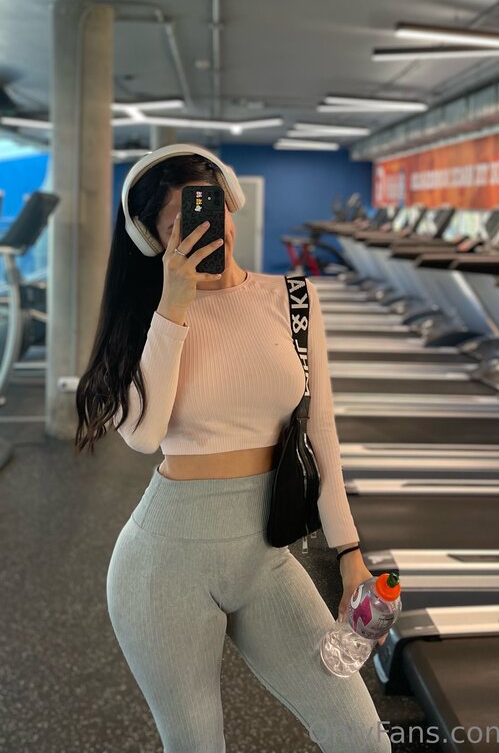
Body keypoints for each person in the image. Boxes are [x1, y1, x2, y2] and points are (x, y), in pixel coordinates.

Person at [75, 144, 392, 753]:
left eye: (214, 209)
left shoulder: (293, 299)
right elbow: (143, 436)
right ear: (154, 241)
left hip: (265, 557)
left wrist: (350, 553)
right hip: (162, 566)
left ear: (233, 206)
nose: (208, 229)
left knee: (362, 738)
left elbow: (321, 432)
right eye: (182, 224)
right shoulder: (149, 319)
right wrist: (174, 304)